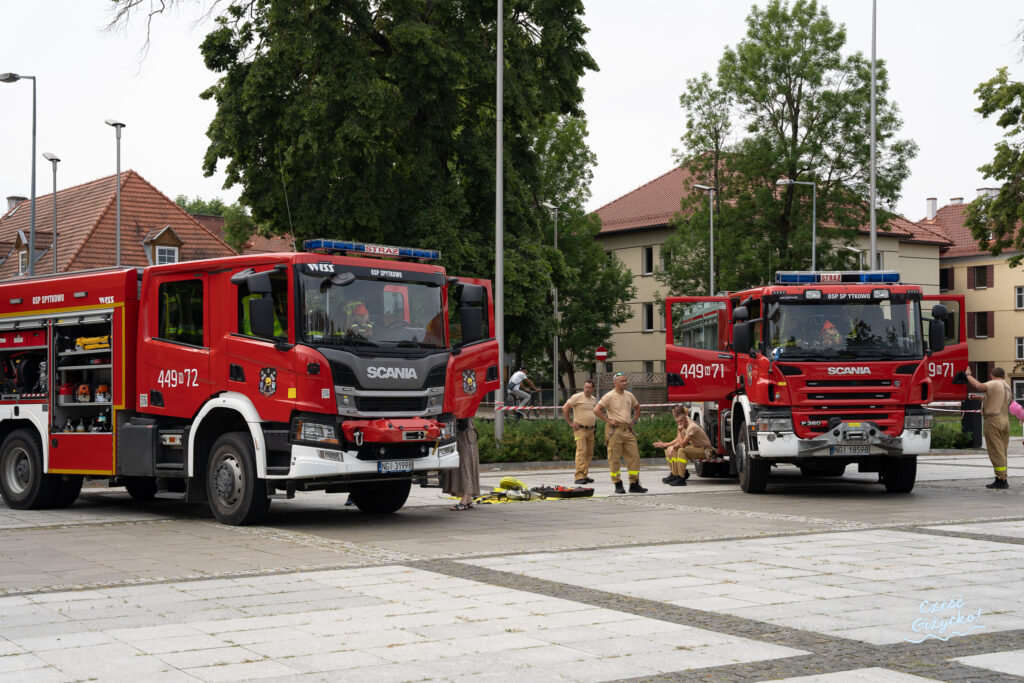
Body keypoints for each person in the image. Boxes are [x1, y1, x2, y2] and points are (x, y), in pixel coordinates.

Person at [594, 372, 647, 494]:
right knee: (614, 458)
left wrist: (634, 421)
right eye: (622, 381)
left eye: (625, 380)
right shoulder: (609, 396)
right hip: (615, 431)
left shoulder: (629, 395)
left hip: (627, 430)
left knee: (634, 457)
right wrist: (608, 420)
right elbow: (596, 410)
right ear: (615, 382)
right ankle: (618, 484)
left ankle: (634, 484)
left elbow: (638, 407)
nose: (625, 383)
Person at [965, 366, 1012, 489]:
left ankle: (1001, 479)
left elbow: (979, 386)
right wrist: (980, 398)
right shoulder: (1006, 386)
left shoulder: (995, 383)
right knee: (1002, 451)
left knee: (996, 451)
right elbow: (996, 400)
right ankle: (1002, 476)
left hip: (993, 421)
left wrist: (968, 375)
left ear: (992, 375)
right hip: (1004, 420)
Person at [654, 405, 714, 486]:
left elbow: (682, 444)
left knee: (681, 451)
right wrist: (669, 446)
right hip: (697, 447)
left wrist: (679, 432)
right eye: (677, 421)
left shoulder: (691, 427)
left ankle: (681, 478)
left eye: (680, 421)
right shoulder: (683, 423)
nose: (679, 423)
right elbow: (679, 440)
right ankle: (675, 474)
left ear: (685, 417)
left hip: (706, 450)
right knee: (670, 449)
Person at [562, 379, 598, 485]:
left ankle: (584, 474)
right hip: (580, 429)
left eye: (589, 388)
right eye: (585, 387)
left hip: (591, 430)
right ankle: (579, 476)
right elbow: (565, 408)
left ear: (593, 389)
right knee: (581, 452)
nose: (587, 389)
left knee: (589, 453)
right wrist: (571, 423)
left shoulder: (593, 399)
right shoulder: (577, 397)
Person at [443, 418, 481, 510]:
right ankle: (468, 499)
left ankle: (465, 499)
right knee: (464, 462)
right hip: (462, 427)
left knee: (465, 463)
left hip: (464, 428)